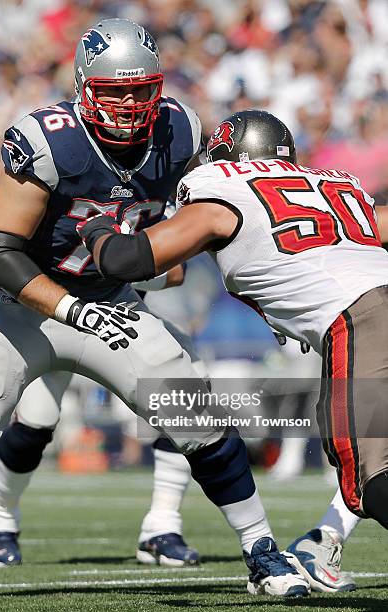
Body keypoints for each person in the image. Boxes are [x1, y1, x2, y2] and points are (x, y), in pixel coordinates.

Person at [0, 21, 309, 598]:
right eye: (113, 90)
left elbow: (213, 226)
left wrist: (266, 300)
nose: (128, 103)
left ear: (158, 87)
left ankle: (261, 551)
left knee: (195, 413)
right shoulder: (49, 140)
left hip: (110, 300)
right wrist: (70, 309)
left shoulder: (179, 129)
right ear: (82, 85)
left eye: (140, 89)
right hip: (24, 301)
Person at [77, 108, 388, 592]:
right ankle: (323, 539)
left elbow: (128, 259)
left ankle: (322, 541)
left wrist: (96, 230)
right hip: (369, 306)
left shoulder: (223, 190)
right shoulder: (334, 187)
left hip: (362, 318)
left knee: (373, 478)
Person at [0, 265, 204, 569]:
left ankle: (162, 525)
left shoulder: (156, 215)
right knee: (36, 422)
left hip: (120, 320)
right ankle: (0, 516)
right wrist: (109, 264)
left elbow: (176, 271)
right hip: (57, 317)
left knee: (189, 397)